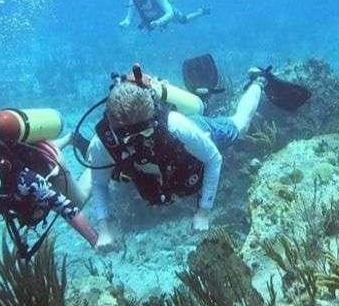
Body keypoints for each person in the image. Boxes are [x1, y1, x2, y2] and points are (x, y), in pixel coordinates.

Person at [84, 68, 272, 248]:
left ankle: (258, 81)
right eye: (130, 138)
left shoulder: (175, 124)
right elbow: (99, 184)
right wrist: (104, 229)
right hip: (163, 164)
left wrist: (203, 211)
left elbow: (214, 159)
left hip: (195, 129)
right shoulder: (102, 144)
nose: (140, 142)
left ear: (154, 118)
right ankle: (201, 97)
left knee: (240, 126)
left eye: (146, 131)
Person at [0, 132, 97, 276]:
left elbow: (68, 208)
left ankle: (95, 161)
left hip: (51, 161)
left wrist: (95, 240)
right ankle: (65, 140)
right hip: (33, 158)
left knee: (79, 201)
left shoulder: (23, 179)